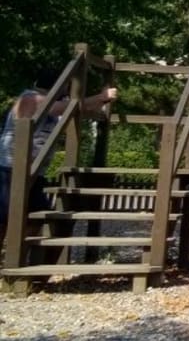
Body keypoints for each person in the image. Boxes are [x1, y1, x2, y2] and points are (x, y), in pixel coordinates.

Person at [0, 69, 117, 246]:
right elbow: (67, 107)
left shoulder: (56, 104)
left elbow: (80, 108)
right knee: (3, 218)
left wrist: (101, 102)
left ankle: (19, 259)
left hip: (33, 171)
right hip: (11, 168)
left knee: (37, 218)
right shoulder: (31, 98)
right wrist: (101, 96)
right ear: (59, 87)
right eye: (65, 87)